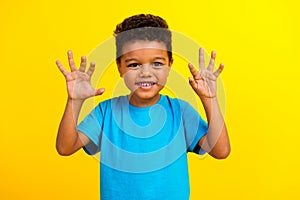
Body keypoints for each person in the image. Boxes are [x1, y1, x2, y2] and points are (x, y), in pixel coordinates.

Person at [55, 14, 230, 200]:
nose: (146, 73)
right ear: (120, 67)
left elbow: (220, 151)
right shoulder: (106, 112)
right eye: (134, 64)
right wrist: (74, 101)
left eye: (157, 63)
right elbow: (65, 147)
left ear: (170, 65)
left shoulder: (180, 111)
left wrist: (209, 99)